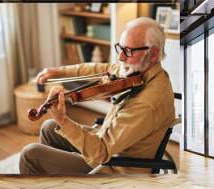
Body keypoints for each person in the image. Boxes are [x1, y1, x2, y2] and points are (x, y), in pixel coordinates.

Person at [19, 17, 175, 174]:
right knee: (49, 128)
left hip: (114, 168)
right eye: (120, 48)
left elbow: (102, 151)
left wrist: (64, 121)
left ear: (153, 54)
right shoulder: (140, 72)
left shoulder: (148, 102)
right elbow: (101, 69)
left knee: (30, 155)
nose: (121, 57)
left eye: (128, 51)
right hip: (110, 145)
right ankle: (59, 188)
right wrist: (59, 71)